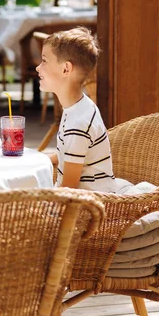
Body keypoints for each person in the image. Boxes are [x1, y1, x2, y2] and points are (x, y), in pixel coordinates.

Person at [36, 27, 118, 192]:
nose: (38, 67)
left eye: (44, 61)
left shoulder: (78, 124)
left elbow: (69, 190)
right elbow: (66, 154)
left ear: (66, 69)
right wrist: (38, 161)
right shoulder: (79, 106)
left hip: (87, 208)